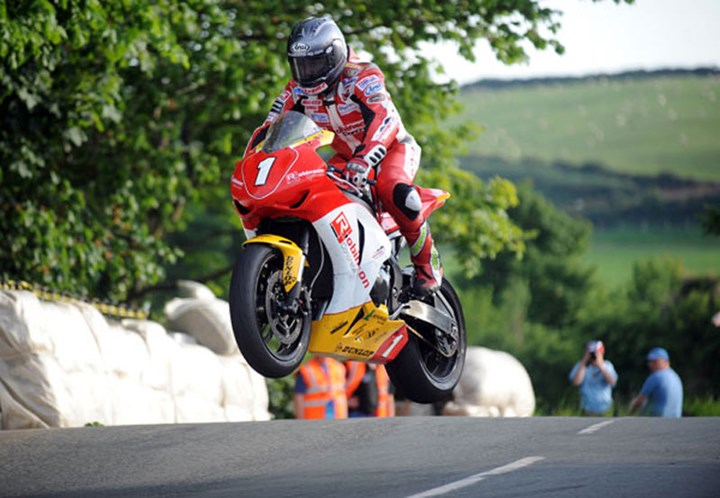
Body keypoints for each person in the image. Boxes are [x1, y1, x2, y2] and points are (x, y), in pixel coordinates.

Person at [249, 15, 442, 295]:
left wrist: (364, 160)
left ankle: (428, 264)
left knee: (394, 189)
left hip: (390, 149)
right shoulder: (296, 89)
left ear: (335, 55)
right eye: (301, 65)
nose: (308, 72)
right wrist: (253, 160)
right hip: (344, 157)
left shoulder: (362, 75)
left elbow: (385, 118)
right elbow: (270, 127)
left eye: (314, 63)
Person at [629, 347, 683, 417]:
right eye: (650, 361)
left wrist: (629, 414)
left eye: (655, 361)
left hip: (659, 419)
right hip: (677, 418)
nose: (651, 364)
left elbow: (640, 401)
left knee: (641, 403)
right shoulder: (675, 376)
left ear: (666, 362)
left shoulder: (656, 376)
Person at [569, 340, 618, 416]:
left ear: (602, 353)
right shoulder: (581, 366)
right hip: (587, 408)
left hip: (605, 407)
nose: (593, 356)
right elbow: (576, 382)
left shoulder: (607, 365)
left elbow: (612, 382)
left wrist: (601, 366)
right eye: (591, 353)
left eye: (595, 353)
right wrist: (584, 362)